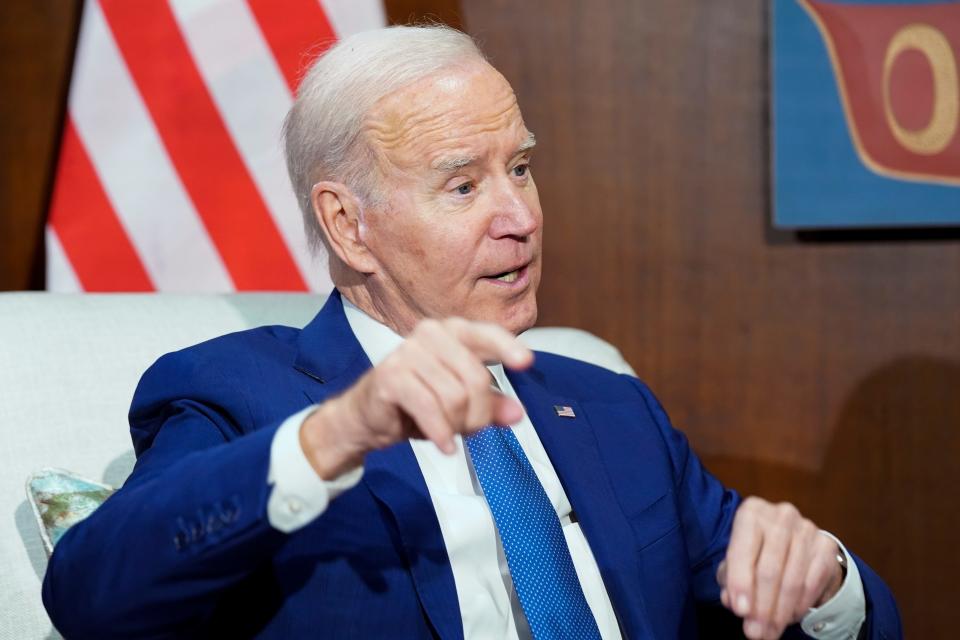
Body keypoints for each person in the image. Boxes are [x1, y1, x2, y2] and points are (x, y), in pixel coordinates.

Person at [43, 25, 900, 640]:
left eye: (520, 168)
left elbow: (810, 602)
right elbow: (92, 596)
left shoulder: (610, 407)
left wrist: (822, 577)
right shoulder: (239, 396)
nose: (519, 216)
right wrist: (339, 432)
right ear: (349, 228)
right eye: (462, 186)